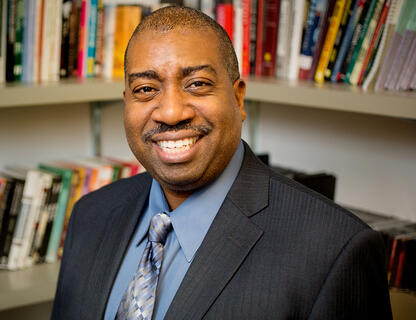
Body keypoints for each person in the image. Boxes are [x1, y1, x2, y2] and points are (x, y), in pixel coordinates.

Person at [52, 6, 392, 320]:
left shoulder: (336, 251)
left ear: (238, 98)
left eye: (197, 84)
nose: (171, 112)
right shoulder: (89, 216)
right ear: (126, 103)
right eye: (145, 89)